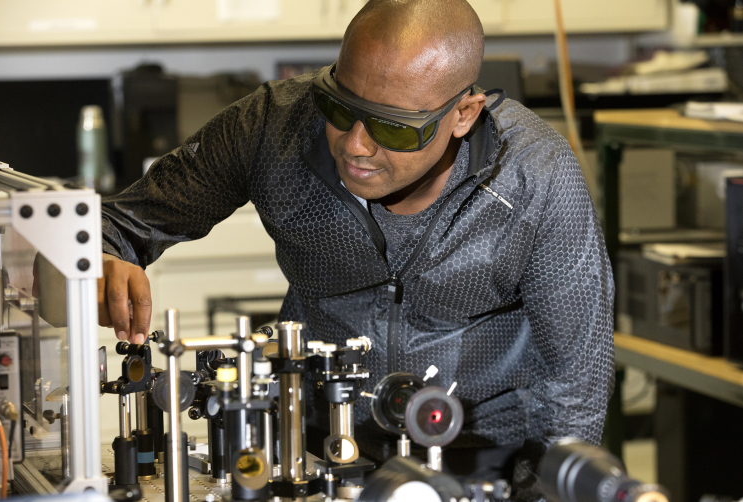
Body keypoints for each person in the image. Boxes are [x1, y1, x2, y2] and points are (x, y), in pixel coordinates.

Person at [98, 0, 614, 494]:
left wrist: (549, 491)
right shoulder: (270, 129)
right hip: (317, 449)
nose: (355, 144)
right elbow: (121, 223)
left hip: (482, 459)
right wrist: (102, 259)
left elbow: (578, 375)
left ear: (464, 114)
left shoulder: (534, 179)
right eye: (339, 107)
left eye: (393, 126)